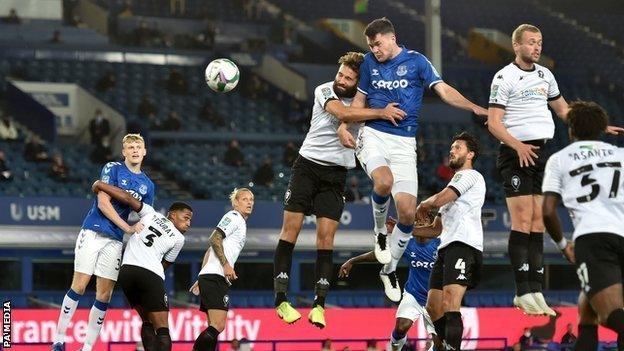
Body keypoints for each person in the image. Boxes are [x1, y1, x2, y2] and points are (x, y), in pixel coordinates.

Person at [346, 17, 487, 303]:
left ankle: (388, 269)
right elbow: (357, 106)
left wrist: (472, 105)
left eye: (378, 44)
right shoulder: (369, 65)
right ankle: (379, 235)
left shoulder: (417, 62)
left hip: (404, 142)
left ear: (392, 37)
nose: (374, 50)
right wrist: (348, 124)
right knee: (383, 182)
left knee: (408, 214)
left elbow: (443, 90)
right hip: (374, 134)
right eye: (370, 45)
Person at [487, 24, 624, 316]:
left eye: (540, 42)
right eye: (531, 43)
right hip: (516, 152)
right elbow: (494, 122)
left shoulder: (545, 75)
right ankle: (521, 290)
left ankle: (535, 289)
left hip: (541, 151)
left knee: (538, 223)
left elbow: (564, 111)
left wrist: (598, 125)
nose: (537, 47)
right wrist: (517, 146)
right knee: (522, 221)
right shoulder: (504, 77)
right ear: (517, 46)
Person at [273, 51, 406, 328]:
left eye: (348, 78)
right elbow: (343, 113)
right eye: (340, 74)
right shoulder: (324, 90)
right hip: (307, 166)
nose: (341, 80)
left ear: (359, 81)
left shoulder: (365, 100)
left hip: (336, 175)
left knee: (326, 240)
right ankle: (281, 301)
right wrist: (380, 112)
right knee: (290, 231)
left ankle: (319, 306)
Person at [52, 134, 155, 351]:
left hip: (115, 241)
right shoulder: (113, 168)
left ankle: (87, 348)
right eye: (130, 147)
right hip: (93, 231)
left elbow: (147, 216)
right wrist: (127, 228)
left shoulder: (148, 185)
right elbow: (103, 203)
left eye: (138, 146)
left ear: (145, 151)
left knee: (105, 295)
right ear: (124, 151)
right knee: (79, 285)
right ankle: (59, 340)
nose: (135, 150)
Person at [541, 101, 624, 350]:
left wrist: (563, 244)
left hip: (594, 240)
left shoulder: (559, 160)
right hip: (621, 232)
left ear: (571, 129)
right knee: (586, 313)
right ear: (602, 128)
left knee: (610, 316)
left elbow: (547, 211)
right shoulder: (620, 154)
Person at [92, 180, 191, 351]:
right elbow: (165, 264)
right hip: (151, 274)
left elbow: (128, 198)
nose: (188, 224)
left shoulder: (150, 213)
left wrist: (101, 184)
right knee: (162, 331)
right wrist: (152, 282)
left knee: (146, 321)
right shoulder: (179, 238)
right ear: (172, 215)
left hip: (127, 272)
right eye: (186, 218)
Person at [414, 132, 485, 351]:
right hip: (446, 247)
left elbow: (437, 200)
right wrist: (403, 228)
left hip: (464, 245)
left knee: (450, 304)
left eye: (457, 148)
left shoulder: (471, 176)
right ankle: (444, 346)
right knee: (433, 308)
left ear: (470, 154)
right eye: (451, 147)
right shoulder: (453, 187)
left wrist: (423, 205)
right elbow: (435, 230)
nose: (452, 151)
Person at [339, 217, 440, 351]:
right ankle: (394, 348)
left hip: (435, 298)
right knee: (400, 327)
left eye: (425, 219)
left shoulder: (440, 245)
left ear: (431, 224)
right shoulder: (407, 243)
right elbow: (380, 255)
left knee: (439, 344)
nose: (420, 221)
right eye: (417, 219)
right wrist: (353, 260)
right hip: (414, 294)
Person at [189, 188, 254, 351]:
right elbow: (214, 238)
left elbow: (209, 250)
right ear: (236, 202)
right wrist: (225, 265)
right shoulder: (233, 217)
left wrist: (201, 276)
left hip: (210, 276)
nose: (249, 202)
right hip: (215, 276)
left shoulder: (240, 222)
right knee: (218, 325)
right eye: (245, 199)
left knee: (213, 326)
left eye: (251, 200)